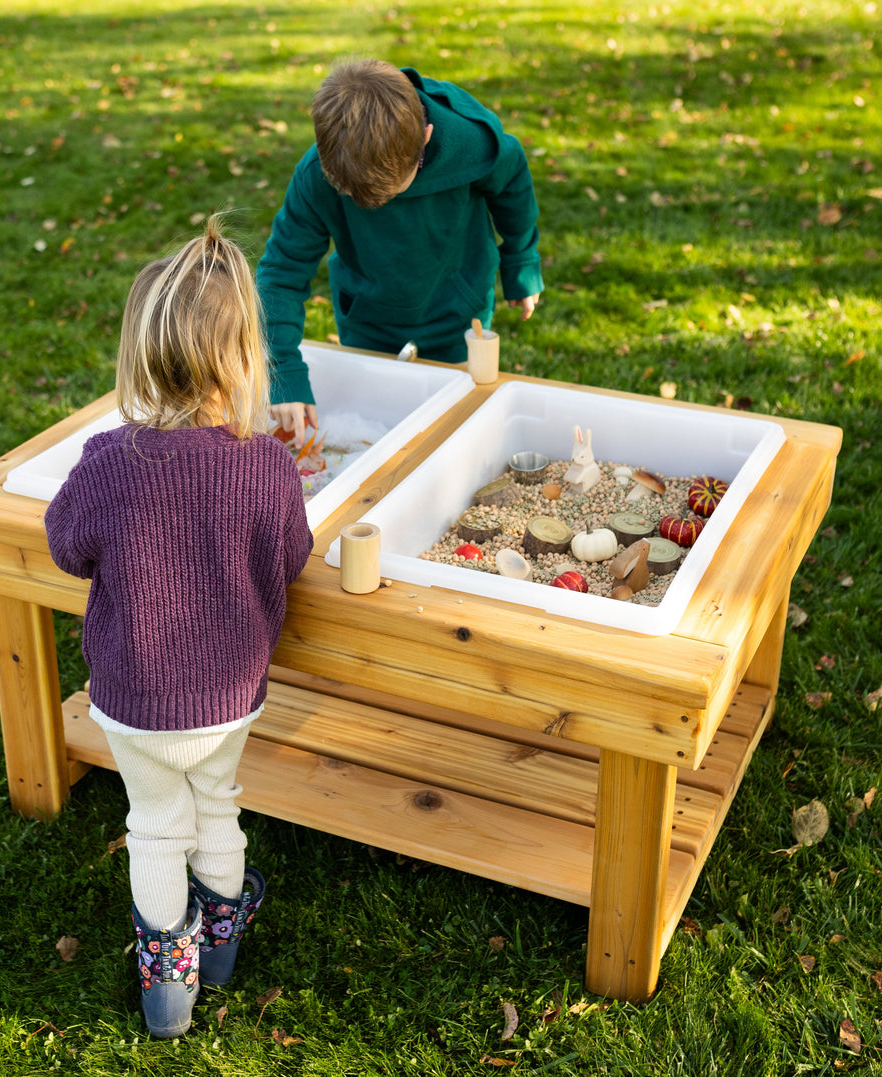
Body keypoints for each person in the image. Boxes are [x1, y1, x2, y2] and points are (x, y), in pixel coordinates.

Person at [44, 216, 314, 1039]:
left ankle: (169, 989)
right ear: (242, 361)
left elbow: (66, 545)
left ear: (140, 356)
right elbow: (294, 555)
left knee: (155, 824)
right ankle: (223, 944)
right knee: (219, 803)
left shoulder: (109, 462)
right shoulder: (266, 464)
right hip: (229, 694)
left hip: (134, 696)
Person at [257, 58, 544, 446]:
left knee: (452, 434)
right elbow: (280, 274)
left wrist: (521, 261)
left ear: (425, 138)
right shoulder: (318, 175)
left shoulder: (474, 143)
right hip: (368, 321)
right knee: (377, 437)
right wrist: (283, 371)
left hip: (456, 315)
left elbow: (512, 185)